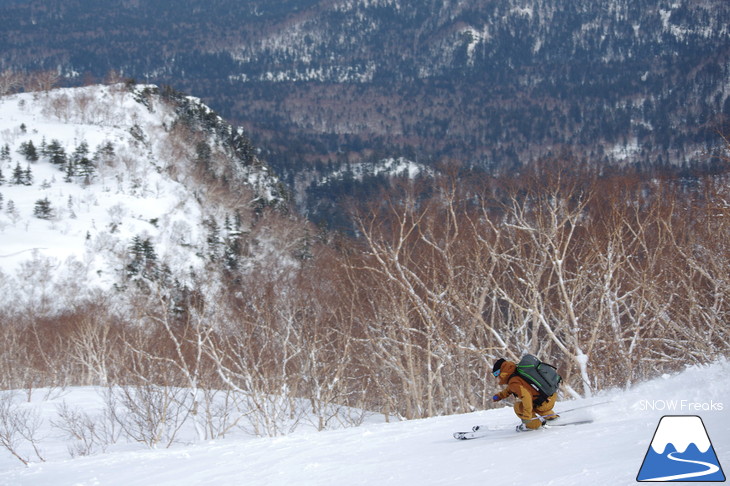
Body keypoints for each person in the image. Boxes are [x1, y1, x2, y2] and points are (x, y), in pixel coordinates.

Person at [491, 357, 559, 431]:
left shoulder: (513, 381)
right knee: (536, 403)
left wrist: (527, 416)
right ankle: (551, 417)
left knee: (518, 407)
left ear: (502, 372)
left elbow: (526, 397)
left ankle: (533, 425)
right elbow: (511, 389)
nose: (497, 377)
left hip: (544, 403)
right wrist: (499, 396)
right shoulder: (516, 372)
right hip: (549, 397)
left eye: (496, 373)